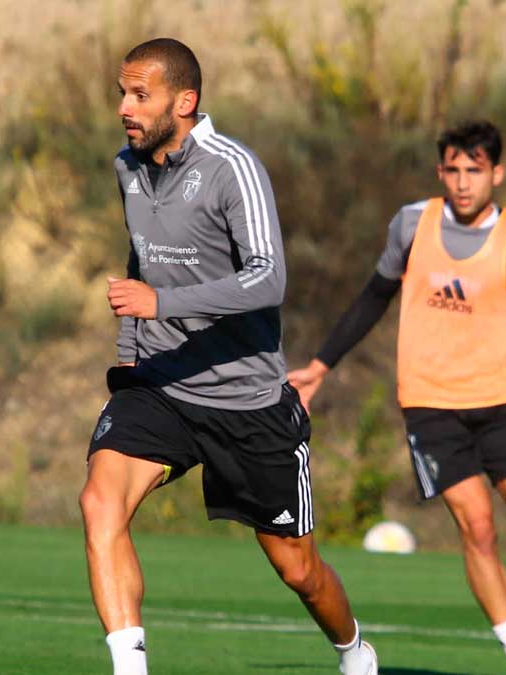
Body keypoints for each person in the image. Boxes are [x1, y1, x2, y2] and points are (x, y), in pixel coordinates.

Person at [79, 38, 378, 675]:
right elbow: (144, 258)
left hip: (248, 403)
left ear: (183, 102)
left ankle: (355, 654)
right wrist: (132, 352)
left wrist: (162, 302)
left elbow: (268, 279)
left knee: (298, 570)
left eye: (140, 95)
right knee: (100, 503)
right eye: (122, 95)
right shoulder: (128, 168)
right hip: (160, 387)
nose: (125, 109)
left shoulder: (231, 166)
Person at [288, 120, 506, 675]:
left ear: (497, 174)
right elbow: (373, 298)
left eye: (475, 171)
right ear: (441, 172)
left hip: (501, 404)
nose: (463, 182)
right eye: (453, 170)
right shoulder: (413, 225)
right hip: (430, 406)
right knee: (478, 528)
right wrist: (320, 366)